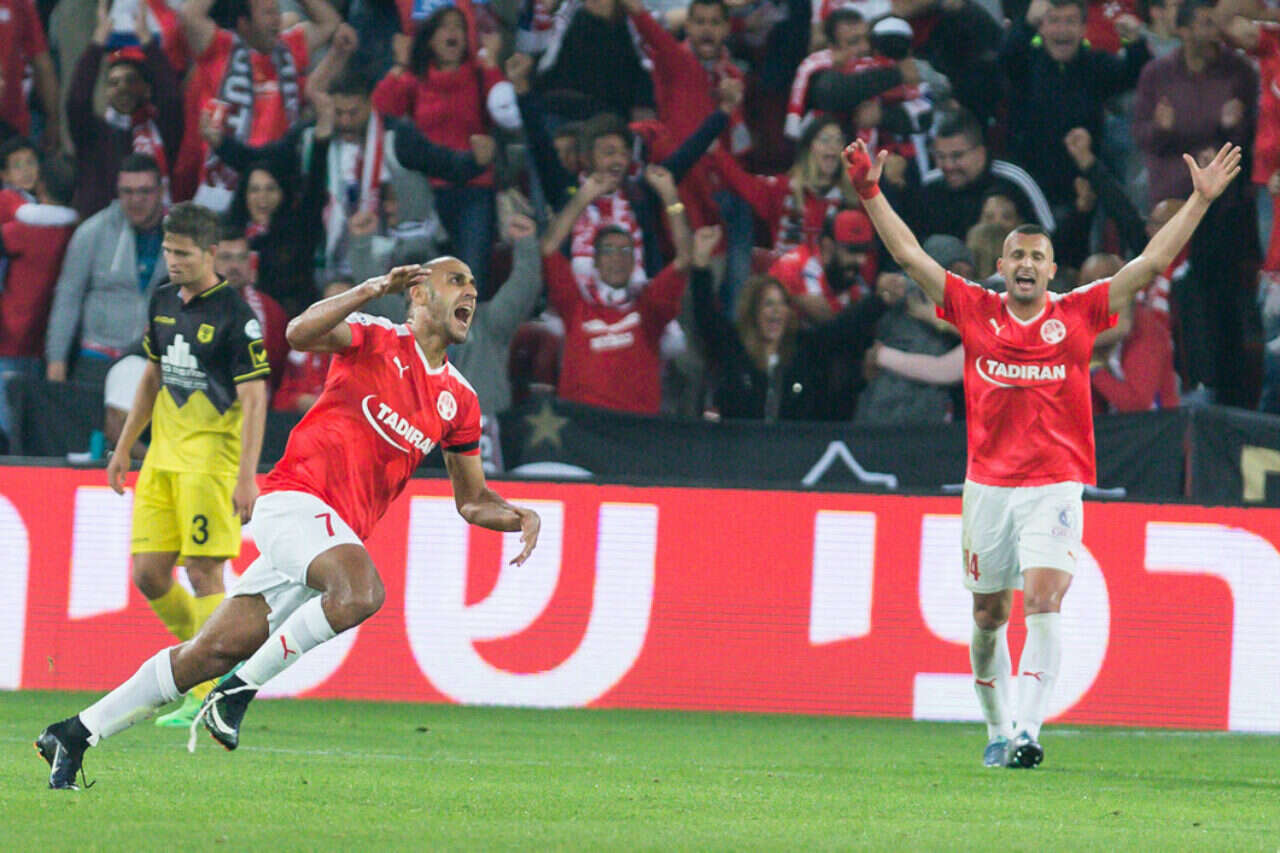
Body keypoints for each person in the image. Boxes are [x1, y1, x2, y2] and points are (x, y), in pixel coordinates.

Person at [35, 258, 542, 789]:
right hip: (295, 501)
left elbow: (471, 500)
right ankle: (236, 694)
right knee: (361, 592)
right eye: (457, 280)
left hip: (328, 536)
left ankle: (74, 733)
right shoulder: (374, 337)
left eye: (474, 285)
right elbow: (298, 333)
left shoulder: (460, 400)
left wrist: (516, 515)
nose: (471, 292)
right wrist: (371, 288)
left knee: (210, 651)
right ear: (417, 294)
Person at [843, 136, 1240, 768]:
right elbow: (908, 253)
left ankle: (1028, 733)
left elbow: (1151, 262)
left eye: (1038, 255)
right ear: (1002, 265)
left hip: (1054, 483)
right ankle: (997, 728)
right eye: (1018, 255)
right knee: (988, 616)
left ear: (1053, 270)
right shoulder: (974, 309)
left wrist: (1199, 201)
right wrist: (869, 191)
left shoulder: (1080, 312)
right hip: (988, 485)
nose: (1027, 263)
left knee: (1044, 601)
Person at [96, 202, 269, 728]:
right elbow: (152, 375)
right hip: (163, 460)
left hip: (210, 463)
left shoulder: (237, 317)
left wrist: (246, 476)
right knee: (148, 575)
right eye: (169, 251)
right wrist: (126, 446)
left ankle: (208, 688)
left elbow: (255, 399)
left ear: (210, 253)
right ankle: (209, 662)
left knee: (202, 572)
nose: (173, 261)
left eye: (184, 253)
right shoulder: (163, 299)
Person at [44, 153, 169, 389]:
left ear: (161, 192)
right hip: (97, 360)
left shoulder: (180, 237)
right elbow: (68, 297)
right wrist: (56, 360)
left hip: (153, 363)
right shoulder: (92, 232)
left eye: (145, 191)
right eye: (127, 192)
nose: (136, 200)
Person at [67, 1, 183, 218]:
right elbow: (77, 101)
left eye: (131, 80)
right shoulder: (93, 133)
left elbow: (172, 99)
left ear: (147, 90)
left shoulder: (162, 129)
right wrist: (98, 42)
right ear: (106, 92)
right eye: (114, 83)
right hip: (101, 233)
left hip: (156, 228)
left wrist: (147, 41)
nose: (122, 88)